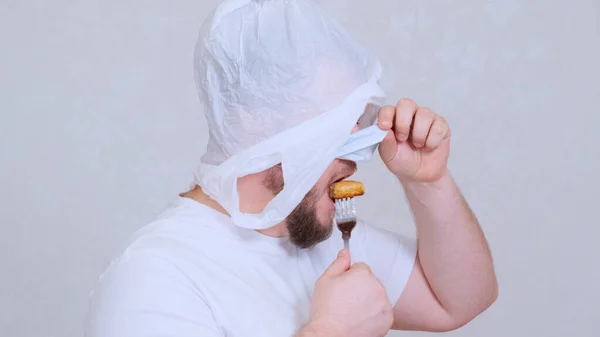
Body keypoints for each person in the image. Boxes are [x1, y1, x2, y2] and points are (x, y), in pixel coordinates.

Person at [85, 1, 498, 336]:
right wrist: (331, 332)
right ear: (256, 123)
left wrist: (429, 182)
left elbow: (457, 302)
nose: (357, 152)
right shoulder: (155, 279)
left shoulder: (328, 240)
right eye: (333, 125)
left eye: (358, 122)